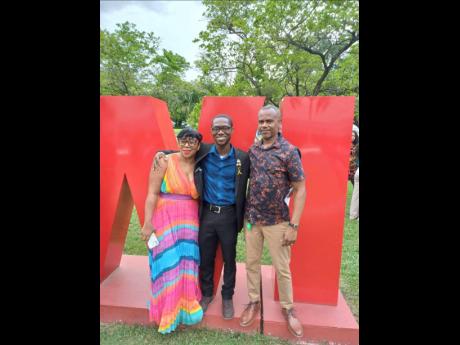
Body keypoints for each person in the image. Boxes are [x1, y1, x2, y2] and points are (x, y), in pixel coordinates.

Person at [154, 115, 250, 320]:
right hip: (206, 214)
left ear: (232, 130)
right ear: (212, 132)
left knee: (229, 257)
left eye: (225, 128)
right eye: (216, 129)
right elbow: (183, 151)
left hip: (229, 215)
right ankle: (206, 294)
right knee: (205, 257)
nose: (220, 132)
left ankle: (227, 297)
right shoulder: (205, 151)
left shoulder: (243, 158)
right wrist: (162, 152)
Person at [239, 105, 307, 338]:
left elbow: (301, 188)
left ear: (279, 123)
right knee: (251, 262)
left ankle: (289, 308)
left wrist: (294, 225)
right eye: (262, 121)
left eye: (269, 121)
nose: (265, 125)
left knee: (282, 268)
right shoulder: (254, 150)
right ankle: (253, 301)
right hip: (253, 220)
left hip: (278, 221)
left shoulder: (289, 152)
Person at [140, 128, 204, 334]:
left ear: (198, 145)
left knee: (187, 263)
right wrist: (147, 222)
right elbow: (151, 193)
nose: (187, 145)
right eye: (183, 141)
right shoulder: (164, 161)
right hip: (165, 218)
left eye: (191, 142)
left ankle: (185, 310)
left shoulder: (200, 164)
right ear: (178, 142)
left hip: (190, 220)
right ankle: (166, 314)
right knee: (167, 263)